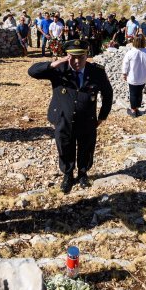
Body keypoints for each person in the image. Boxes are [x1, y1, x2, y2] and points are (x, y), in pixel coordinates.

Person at [28, 39, 113, 193]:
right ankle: (68, 174)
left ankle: (82, 173)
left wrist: (102, 116)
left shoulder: (96, 72)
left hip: (87, 119)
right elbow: (32, 71)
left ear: (87, 55)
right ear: (67, 56)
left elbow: (108, 94)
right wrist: (55, 63)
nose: (76, 61)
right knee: (65, 145)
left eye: (81, 57)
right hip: (63, 118)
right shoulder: (59, 70)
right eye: (72, 57)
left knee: (86, 147)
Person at [121, 34, 146, 117]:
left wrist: (124, 73)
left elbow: (125, 64)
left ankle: (133, 110)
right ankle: (137, 109)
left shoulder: (131, 52)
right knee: (139, 93)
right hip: (143, 77)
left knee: (133, 93)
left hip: (133, 77)